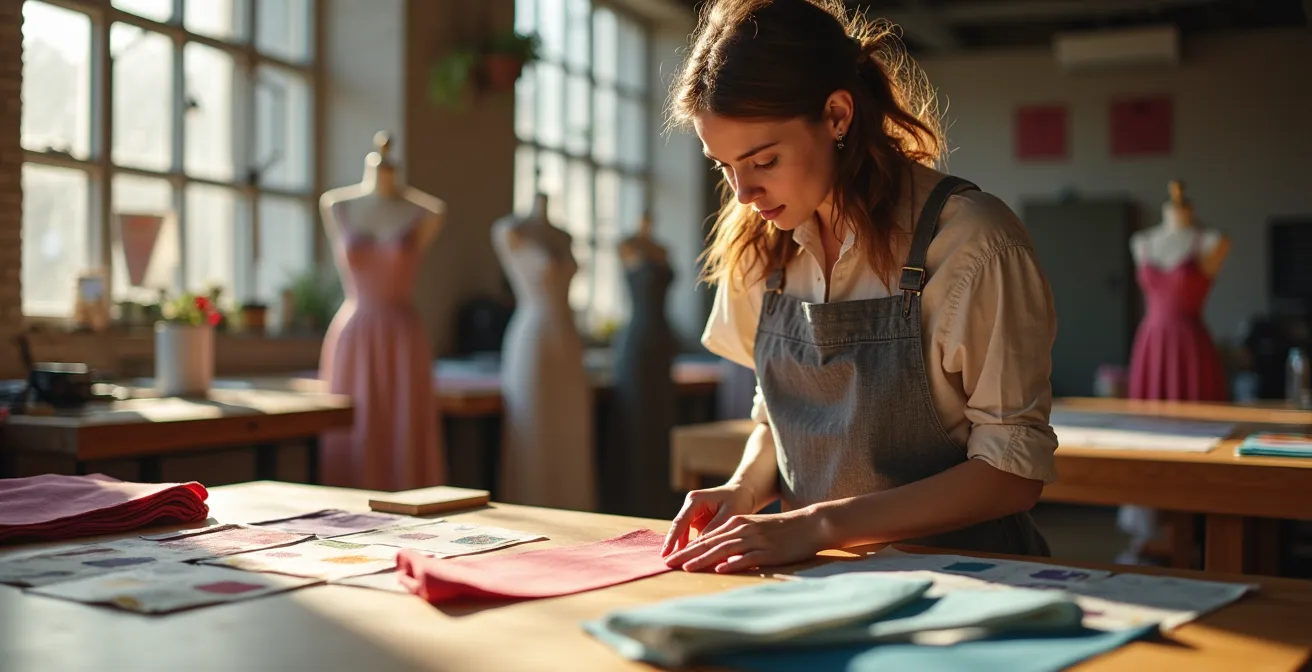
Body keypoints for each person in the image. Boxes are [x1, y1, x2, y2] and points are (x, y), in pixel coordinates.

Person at [660, 0, 1060, 574]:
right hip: (824, 580)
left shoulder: (972, 243)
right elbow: (774, 415)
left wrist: (819, 523)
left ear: (837, 115)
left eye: (764, 160)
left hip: (970, 580)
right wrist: (744, 488)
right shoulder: (758, 244)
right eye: (723, 166)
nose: (743, 192)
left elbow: (1012, 475)